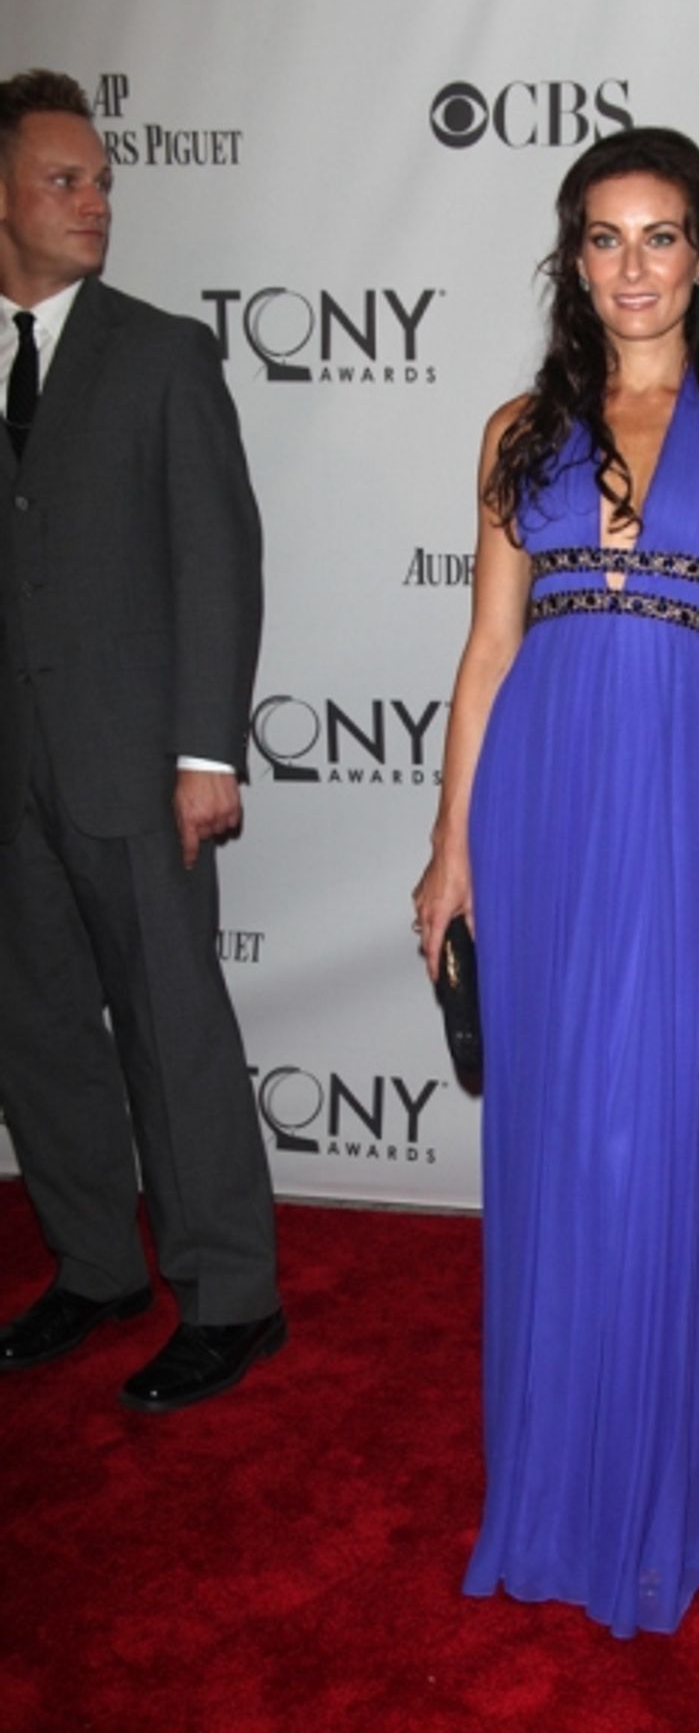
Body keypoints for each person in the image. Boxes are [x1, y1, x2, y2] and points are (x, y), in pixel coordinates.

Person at [413, 126, 699, 1636]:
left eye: (662, 236)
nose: (634, 265)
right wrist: (453, 843)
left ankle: (669, 1479)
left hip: (682, 798)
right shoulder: (517, 429)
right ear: (570, 258)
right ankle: (558, 1471)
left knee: (658, 1141)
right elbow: (486, 654)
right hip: (540, 804)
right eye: (605, 236)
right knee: (555, 1145)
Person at [0, 70, 284, 1411]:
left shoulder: (161, 351)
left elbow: (218, 554)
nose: (96, 200)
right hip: (10, 774)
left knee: (174, 1033)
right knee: (37, 1030)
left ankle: (230, 1294)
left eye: (104, 179)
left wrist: (207, 752)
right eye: (66, 180)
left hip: (134, 762)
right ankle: (97, 1265)